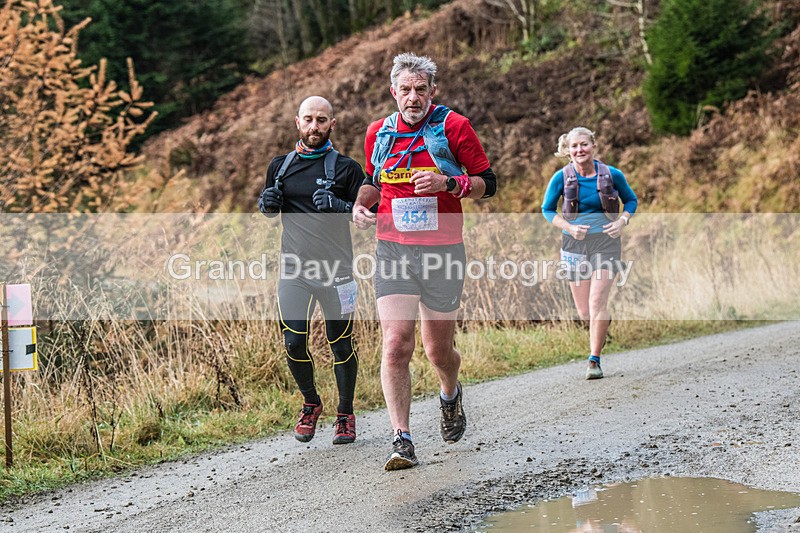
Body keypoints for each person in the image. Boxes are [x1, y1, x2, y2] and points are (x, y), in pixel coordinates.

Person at [352, 52, 497, 470]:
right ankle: (402, 439)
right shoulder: (378, 132)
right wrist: (361, 207)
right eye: (405, 90)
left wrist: (447, 182)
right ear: (393, 91)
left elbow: (489, 183)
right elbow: (371, 181)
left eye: (420, 90)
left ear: (433, 91)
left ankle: (449, 394)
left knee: (438, 351)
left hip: (442, 250)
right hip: (393, 248)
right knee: (396, 343)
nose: (412, 97)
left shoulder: (454, 126)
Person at [258, 96, 364, 444]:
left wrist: (341, 206)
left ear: (332, 124)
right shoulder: (280, 165)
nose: (314, 126)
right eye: (308, 119)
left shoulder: (348, 169)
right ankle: (311, 402)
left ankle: (345, 414)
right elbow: (270, 208)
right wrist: (266, 205)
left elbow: (368, 218)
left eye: (322, 120)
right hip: (295, 272)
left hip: (338, 273)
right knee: (293, 341)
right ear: (297, 122)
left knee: (341, 344)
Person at [541, 127, 638, 380]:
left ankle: (594, 360)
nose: (579, 150)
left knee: (597, 302)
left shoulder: (611, 174)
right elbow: (547, 210)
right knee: (585, 312)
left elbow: (631, 201)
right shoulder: (561, 178)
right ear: (568, 150)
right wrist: (570, 228)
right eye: (574, 146)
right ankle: (602, 323)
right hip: (574, 245)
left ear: (593, 146)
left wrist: (621, 222)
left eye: (584, 144)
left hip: (606, 242)